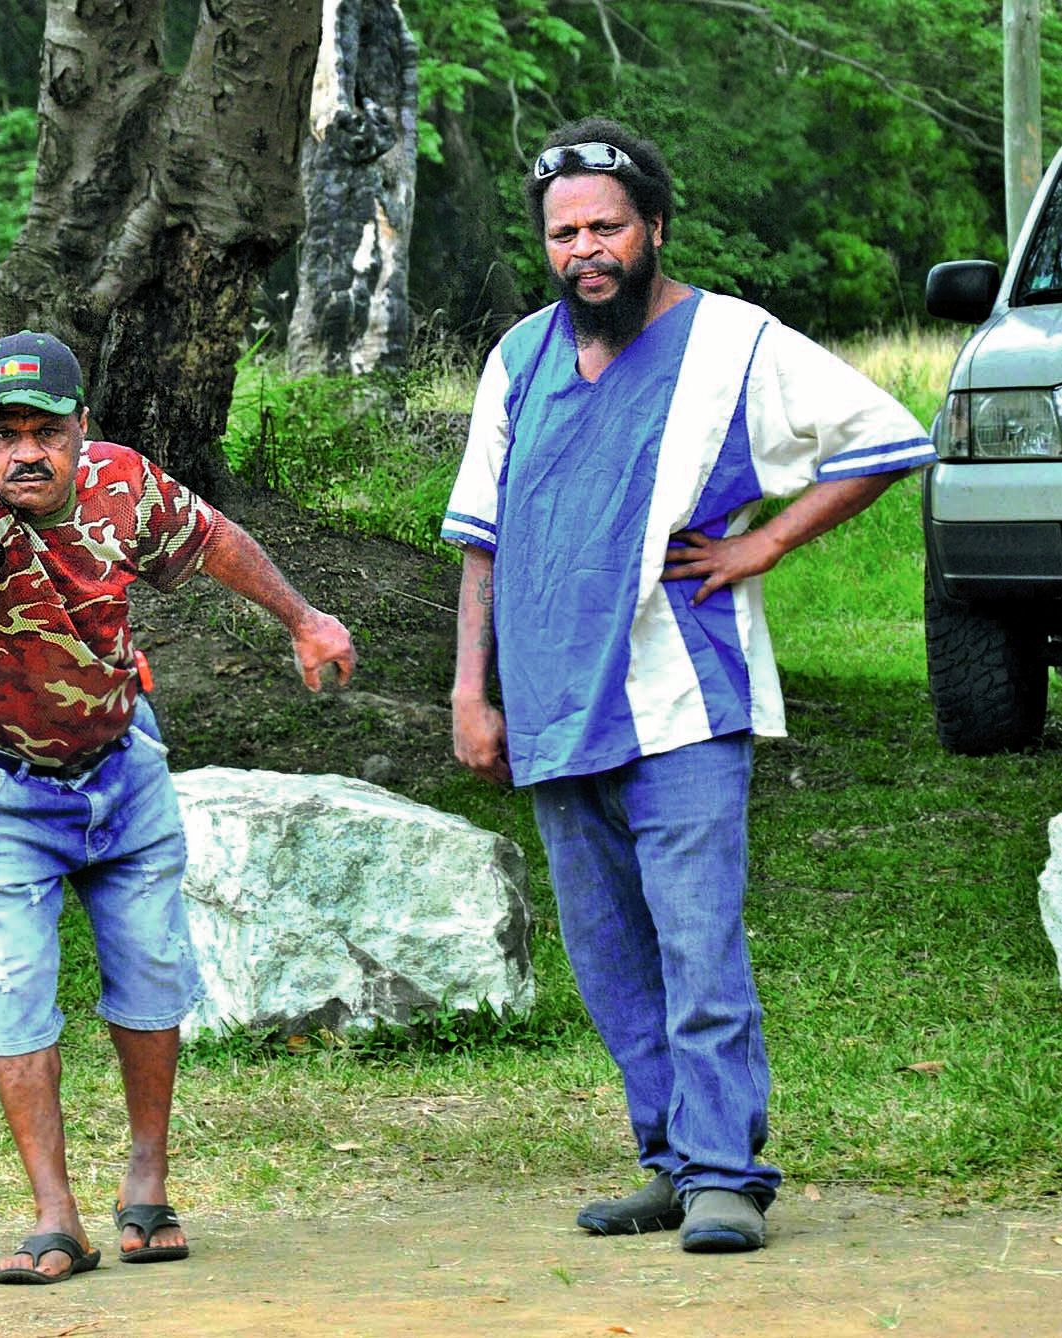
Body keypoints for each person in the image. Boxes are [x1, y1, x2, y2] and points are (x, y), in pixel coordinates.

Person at [442, 118, 935, 1253]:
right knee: (609, 957)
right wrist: (471, 690)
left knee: (695, 943)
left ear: (653, 227)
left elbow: (883, 436)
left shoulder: (732, 342)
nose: (584, 250)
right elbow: (480, 538)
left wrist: (764, 543)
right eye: (563, 233)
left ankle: (723, 1175)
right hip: (551, 702)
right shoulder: (517, 357)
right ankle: (666, 1162)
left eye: (605, 226)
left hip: (681, 695)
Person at [0, 331, 356, 1284]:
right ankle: (55, 1218)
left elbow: (216, 541)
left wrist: (304, 619)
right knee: (15, 989)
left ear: (80, 427)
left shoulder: (124, 484)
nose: (24, 454)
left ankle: (147, 1182)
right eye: (3, 434)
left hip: (122, 771)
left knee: (152, 976)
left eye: (44, 432)